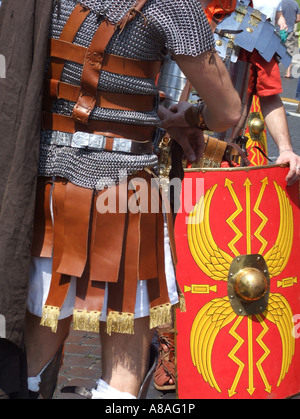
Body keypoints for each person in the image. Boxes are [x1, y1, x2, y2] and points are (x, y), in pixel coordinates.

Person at [0, 0, 241, 399]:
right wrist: (187, 118)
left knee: (24, 365)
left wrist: (151, 110)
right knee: (121, 379)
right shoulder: (173, 5)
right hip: (127, 195)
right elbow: (228, 110)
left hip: (49, 186)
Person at [155, 0, 300, 393]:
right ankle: (170, 346)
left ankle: (211, 355)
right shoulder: (164, 10)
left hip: (217, 165)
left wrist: (285, 148)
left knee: (215, 265)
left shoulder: (253, 28)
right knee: (164, 257)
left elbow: (269, 96)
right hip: (157, 155)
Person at [282, 0, 300, 78]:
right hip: (290, 31)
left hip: (279, 31)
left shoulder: (280, 3)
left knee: (274, 51)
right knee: (289, 52)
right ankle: (288, 72)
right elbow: (298, 19)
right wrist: (291, 22)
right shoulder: (295, 4)